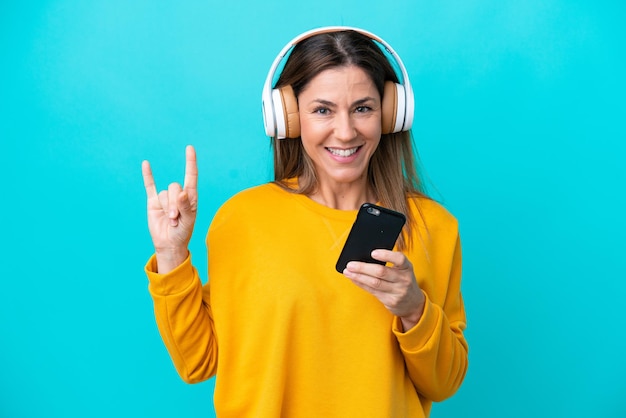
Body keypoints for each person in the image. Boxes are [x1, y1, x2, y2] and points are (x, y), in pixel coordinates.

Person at [142, 27, 468, 417]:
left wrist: (414, 308)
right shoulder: (243, 220)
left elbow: (444, 383)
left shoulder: (433, 227)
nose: (345, 132)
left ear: (391, 113)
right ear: (289, 118)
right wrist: (171, 254)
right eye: (322, 110)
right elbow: (198, 360)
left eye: (363, 108)